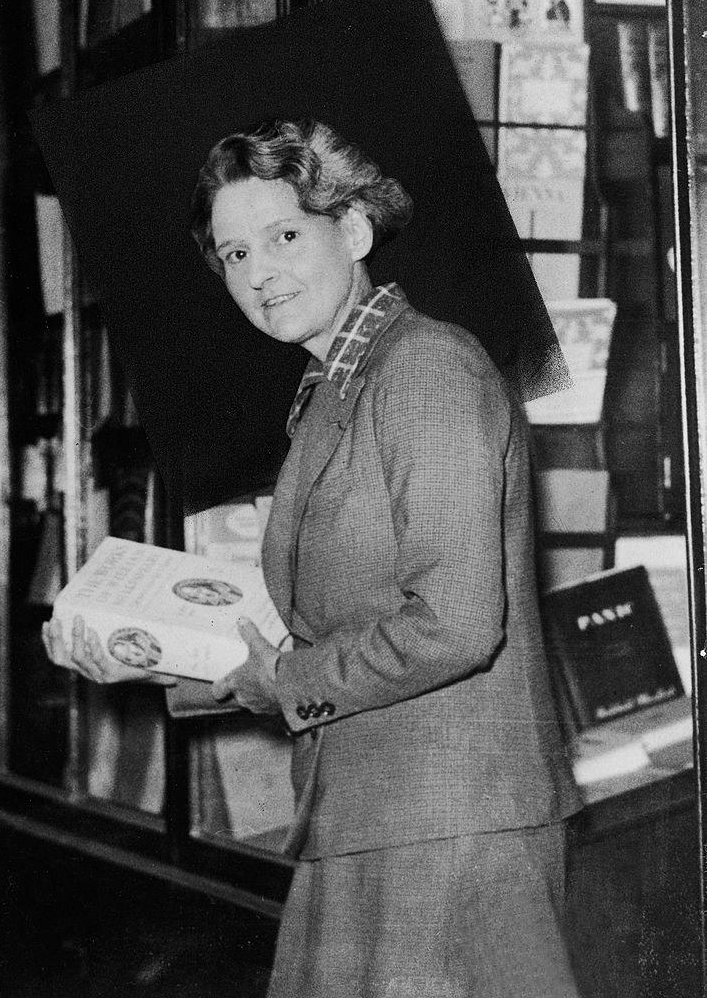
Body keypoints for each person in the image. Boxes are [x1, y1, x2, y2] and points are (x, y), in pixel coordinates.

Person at [43, 118, 582, 998]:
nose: (259, 274)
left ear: (356, 232)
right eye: (234, 255)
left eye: (284, 236)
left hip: (452, 833)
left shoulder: (425, 368)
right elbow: (328, 628)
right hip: (376, 820)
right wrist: (147, 653)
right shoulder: (338, 384)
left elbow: (456, 627)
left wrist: (282, 684)